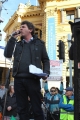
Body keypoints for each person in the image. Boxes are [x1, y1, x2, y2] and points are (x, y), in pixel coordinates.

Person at [4, 20, 50, 120]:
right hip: (18, 80)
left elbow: (46, 60)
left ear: (30, 30)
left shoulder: (39, 44)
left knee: (36, 108)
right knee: (22, 109)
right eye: (20, 27)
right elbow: (7, 54)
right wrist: (12, 38)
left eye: (23, 27)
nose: (20, 28)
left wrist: (46, 72)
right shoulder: (17, 44)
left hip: (33, 79)